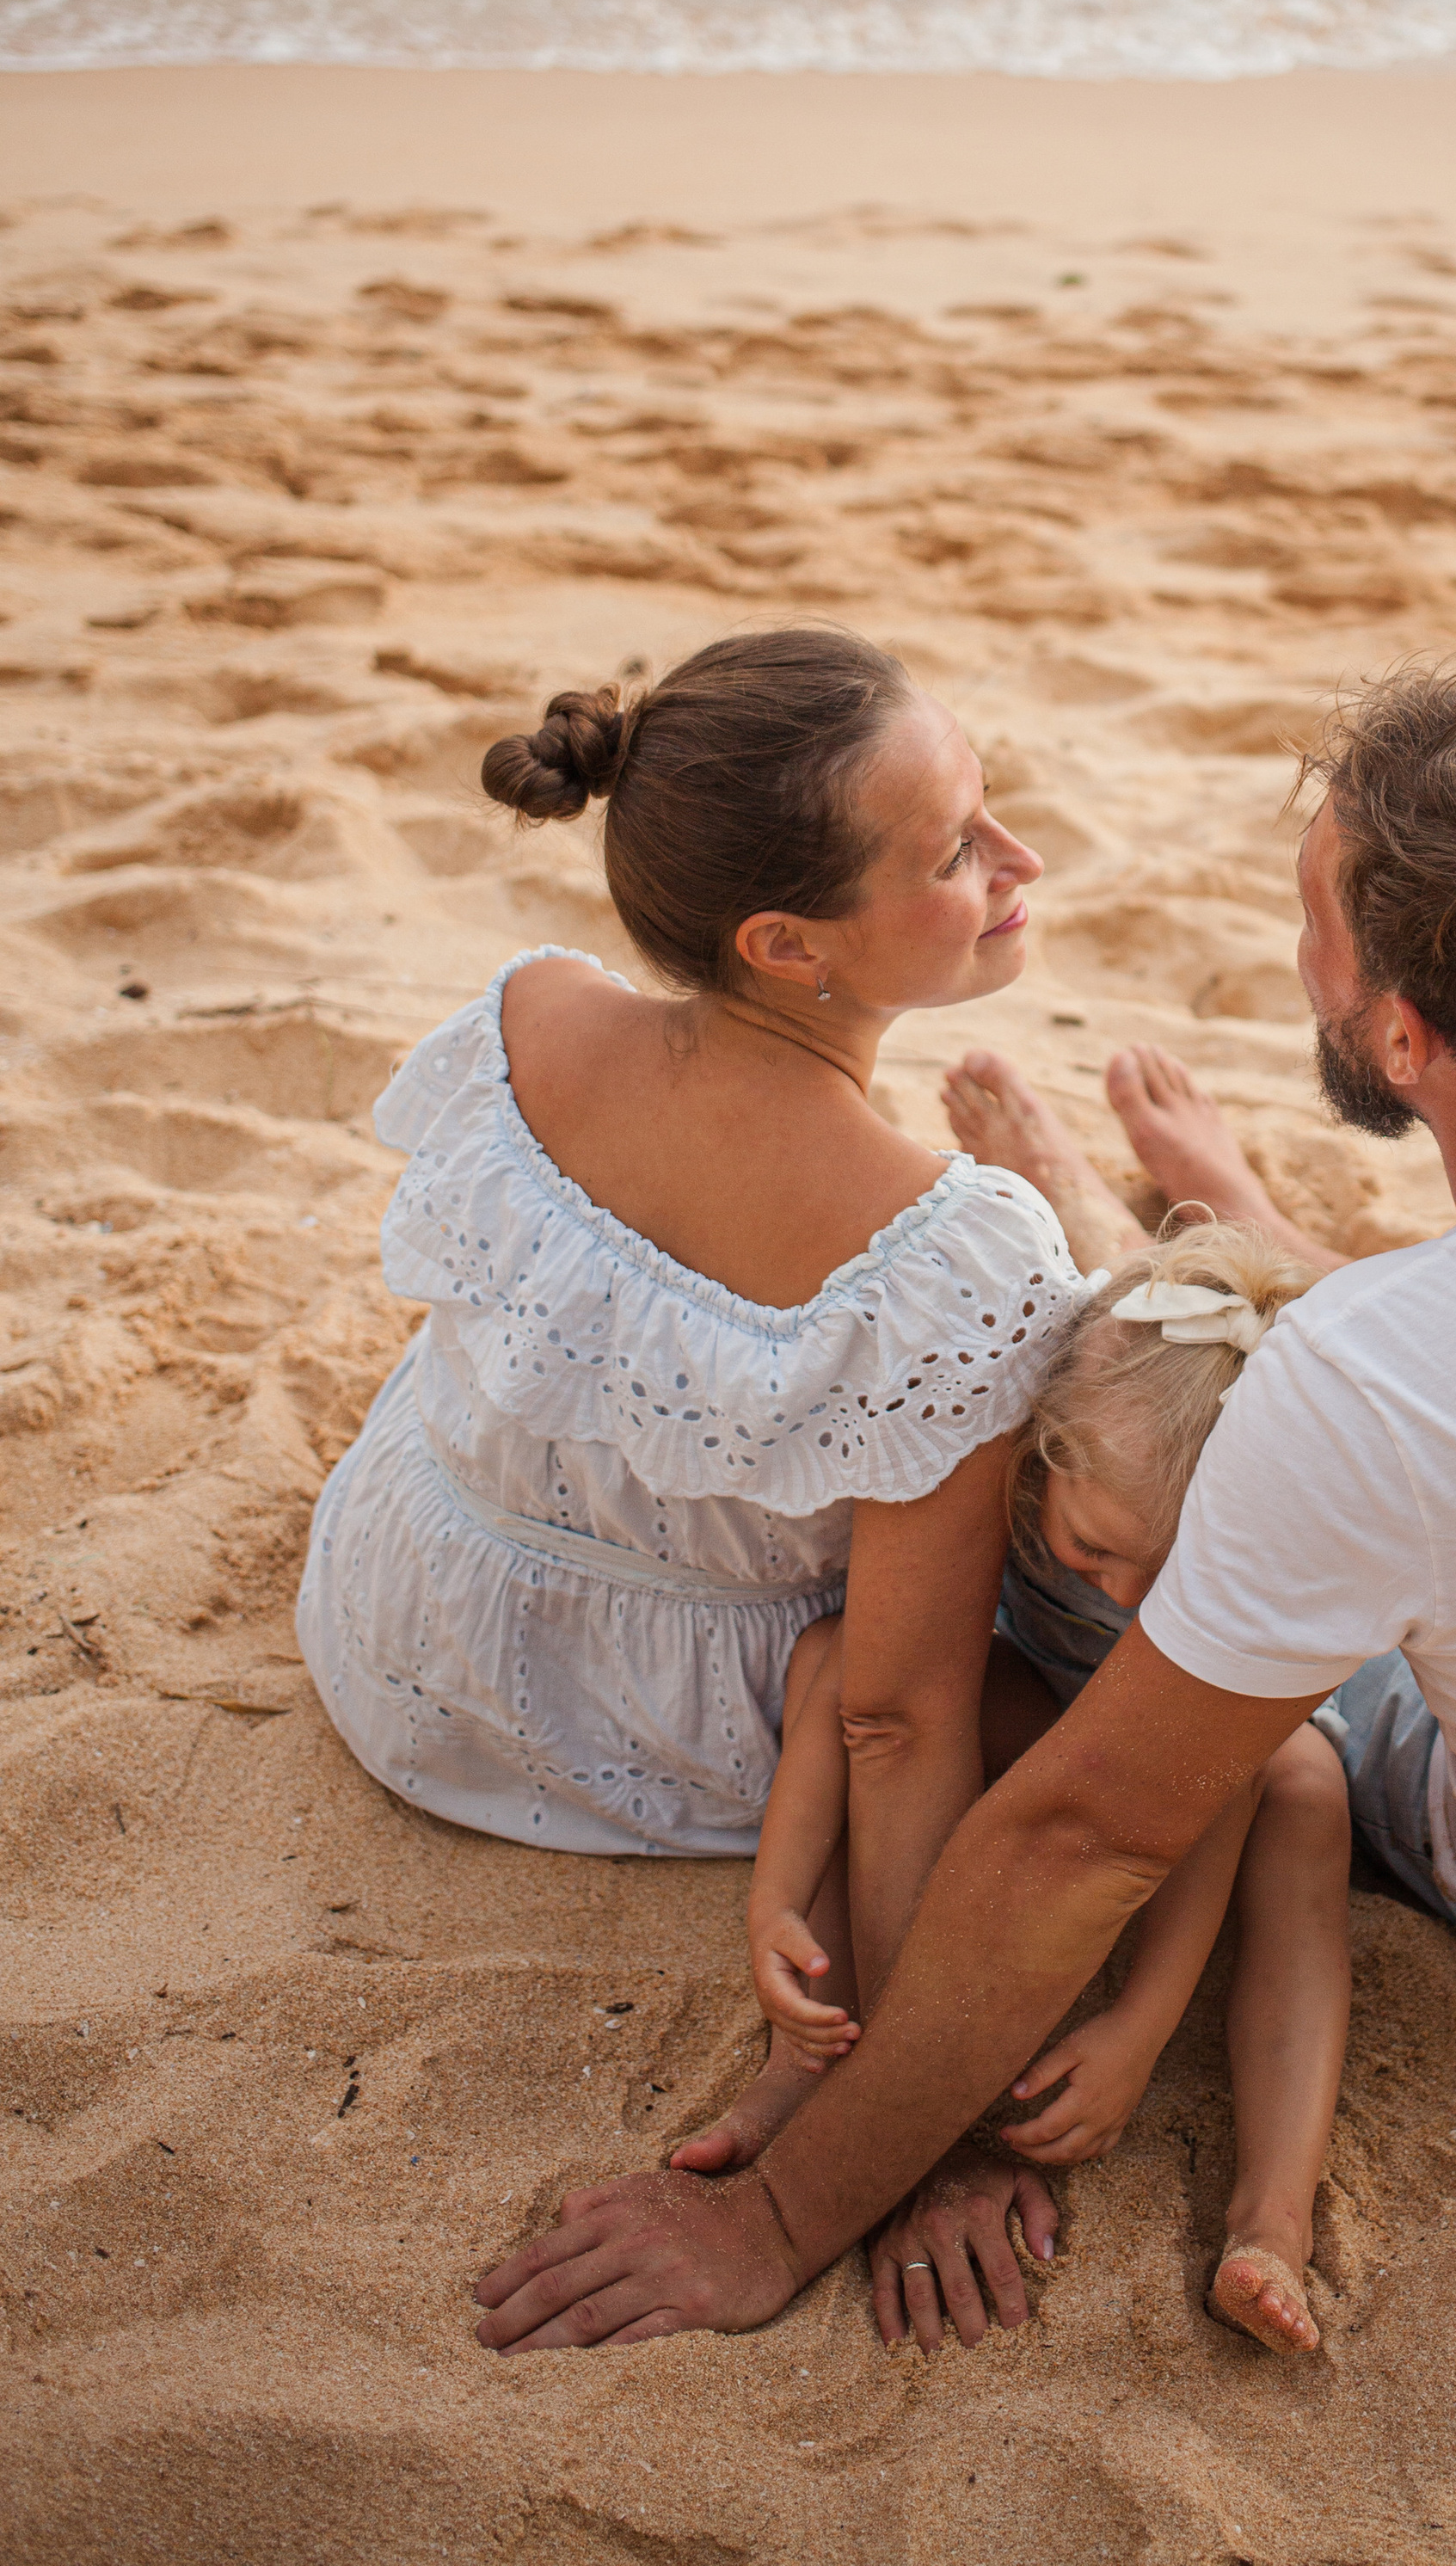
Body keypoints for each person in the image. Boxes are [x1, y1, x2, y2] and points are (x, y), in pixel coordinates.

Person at [469, 653, 1456, 2356]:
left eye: (1316, 931)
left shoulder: (1364, 1377)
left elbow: (1088, 1835)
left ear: (1397, 1037)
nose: (1298, 959)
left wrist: (776, 2215)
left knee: (1084, 1535)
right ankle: (1166, 1229)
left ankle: (1119, 1244)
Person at [298, 625, 1090, 2218]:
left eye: (989, 807)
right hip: (653, 1738)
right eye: (954, 851)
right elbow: (892, 1719)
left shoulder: (532, 1015)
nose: (1021, 859)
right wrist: (905, 2091)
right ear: (790, 946)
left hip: (397, 1628)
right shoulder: (947, 1250)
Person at [699, 1218, 1348, 2357]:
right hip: (1049, 1711)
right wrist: (776, 1898)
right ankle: (802, 2067)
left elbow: (1211, 1792)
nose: (1143, 1603)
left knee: (1302, 1795)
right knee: (868, 1679)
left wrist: (1141, 2029)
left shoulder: (1255, 1549)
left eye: (1178, 1576)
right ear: (1047, 1450)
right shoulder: (1015, 1473)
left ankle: (1271, 2224)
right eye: (1102, 1556)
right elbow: (850, 1673)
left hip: (1202, 1755)